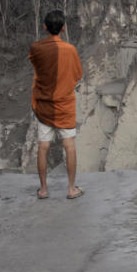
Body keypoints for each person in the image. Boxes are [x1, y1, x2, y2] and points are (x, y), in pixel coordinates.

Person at [29, 10, 84, 199]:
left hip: (44, 105)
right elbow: (77, 75)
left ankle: (43, 190)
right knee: (69, 145)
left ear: (44, 27)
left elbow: (38, 68)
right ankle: (71, 189)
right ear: (63, 28)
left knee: (43, 146)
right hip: (65, 106)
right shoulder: (70, 50)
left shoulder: (36, 48)